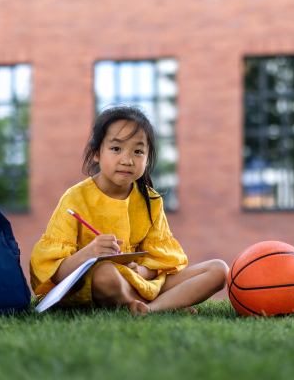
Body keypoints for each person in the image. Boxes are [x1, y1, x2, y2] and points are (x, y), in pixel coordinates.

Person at [29, 105, 229, 315]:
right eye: (116, 149)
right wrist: (88, 253)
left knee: (218, 269)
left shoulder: (151, 200)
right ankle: (164, 305)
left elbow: (162, 261)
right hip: (95, 286)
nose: (127, 160)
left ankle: (149, 309)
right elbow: (52, 274)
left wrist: (141, 271)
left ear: (148, 157)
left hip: (141, 283)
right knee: (105, 273)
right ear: (96, 153)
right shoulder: (75, 198)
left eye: (138, 151)